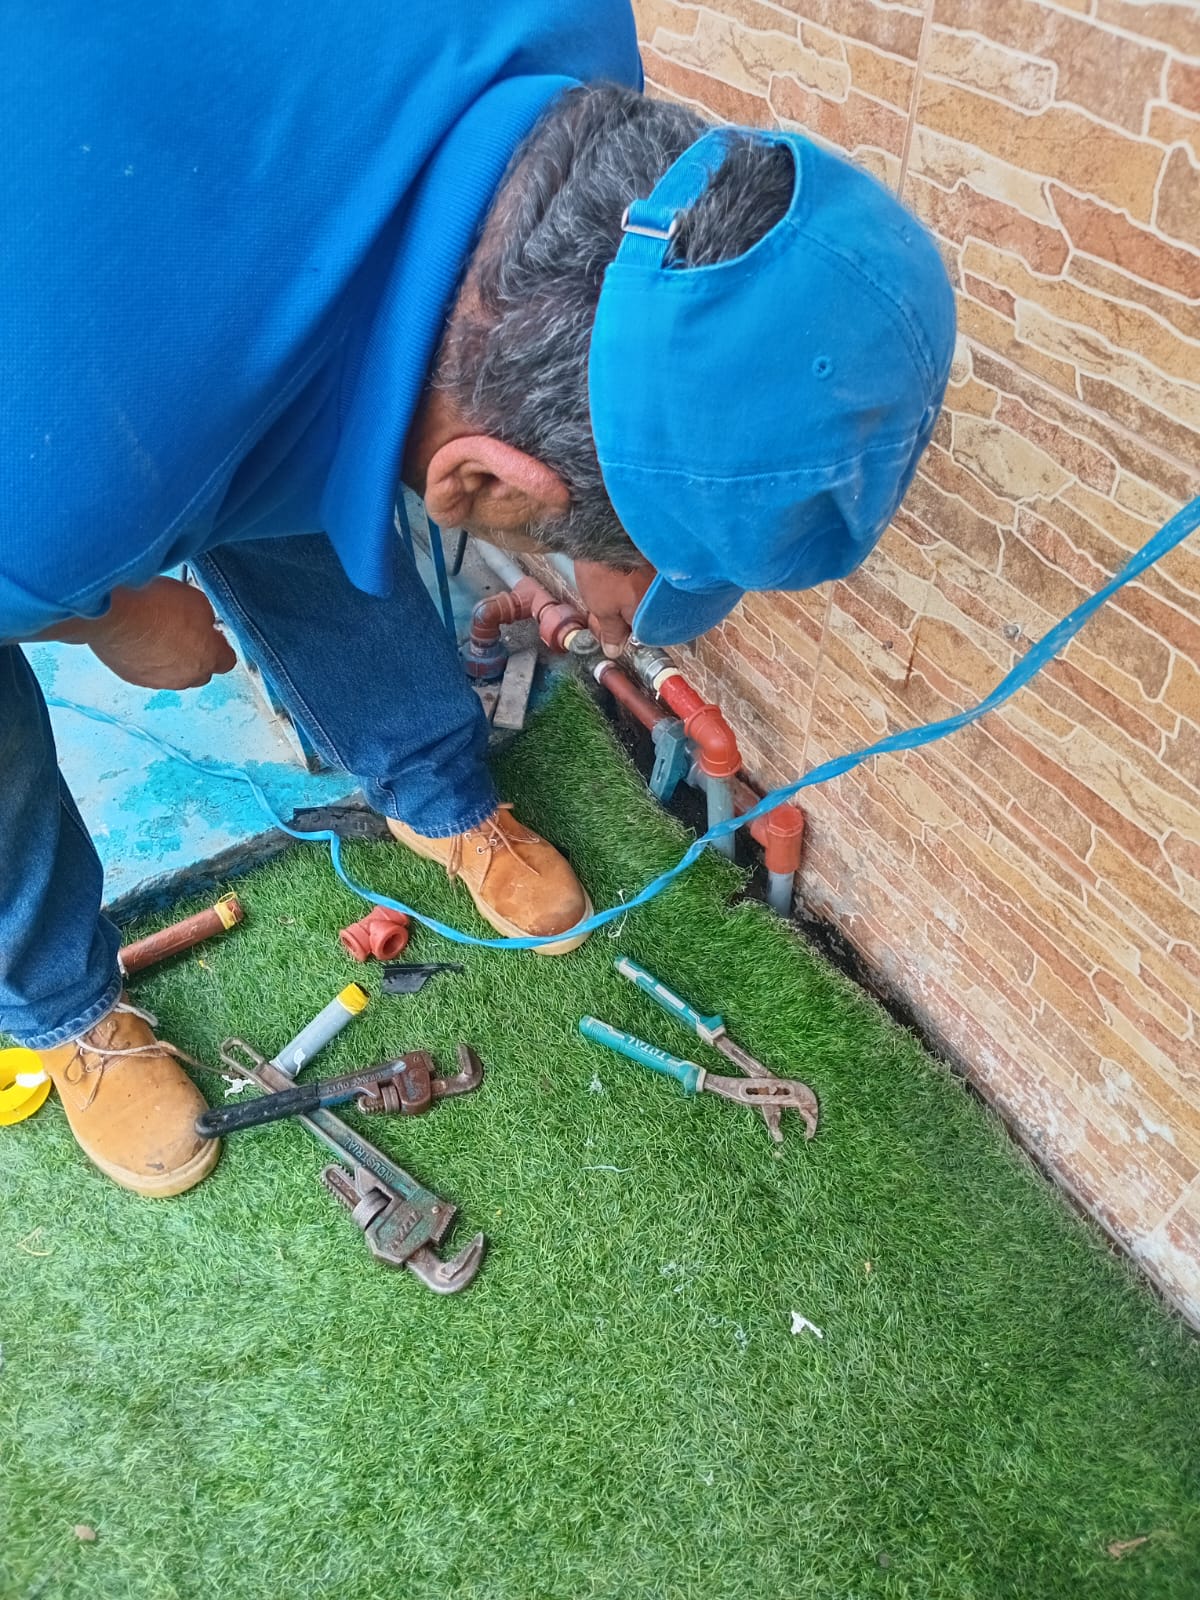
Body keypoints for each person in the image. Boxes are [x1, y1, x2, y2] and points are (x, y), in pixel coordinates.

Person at [2, 1, 954, 1198]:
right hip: (60, 348)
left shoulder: (576, 35)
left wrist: (598, 534)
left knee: (330, 450)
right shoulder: (64, 481)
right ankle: (58, 1002)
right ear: (487, 479)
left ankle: (436, 794)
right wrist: (107, 615)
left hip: (153, 221)